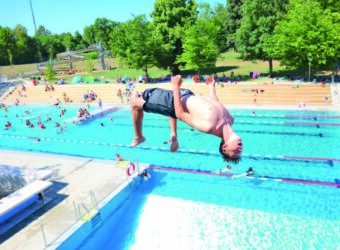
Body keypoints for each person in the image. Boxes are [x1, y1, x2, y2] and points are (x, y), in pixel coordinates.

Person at [130, 75, 243, 163]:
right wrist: (211, 88)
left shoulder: (209, 127)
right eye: (240, 151)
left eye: (235, 152)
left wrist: (175, 88)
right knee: (148, 100)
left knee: (135, 103)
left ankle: (138, 137)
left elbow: (179, 114)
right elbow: (215, 104)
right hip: (187, 94)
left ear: (225, 147)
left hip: (171, 102)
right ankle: (173, 134)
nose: (240, 150)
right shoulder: (230, 120)